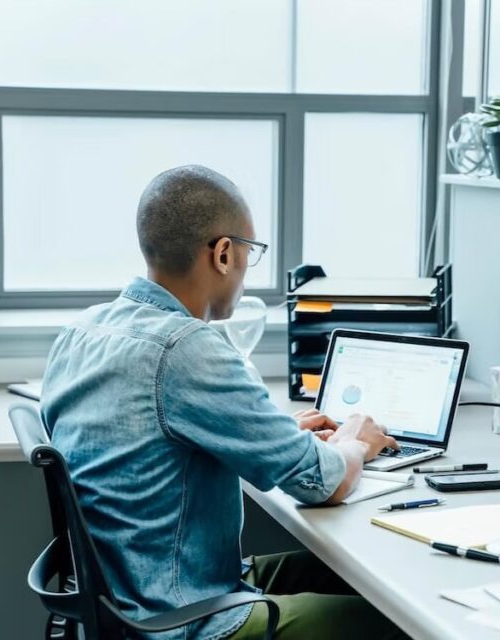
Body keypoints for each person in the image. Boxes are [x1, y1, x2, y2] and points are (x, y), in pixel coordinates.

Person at [41, 165, 408, 640]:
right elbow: (323, 482)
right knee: (400, 620)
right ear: (222, 253)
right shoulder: (187, 348)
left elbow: (151, 441)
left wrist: (272, 435)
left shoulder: (82, 332)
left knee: (366, 575)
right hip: (184, 617)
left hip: (138, 597)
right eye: (249, 253)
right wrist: (355, 441)